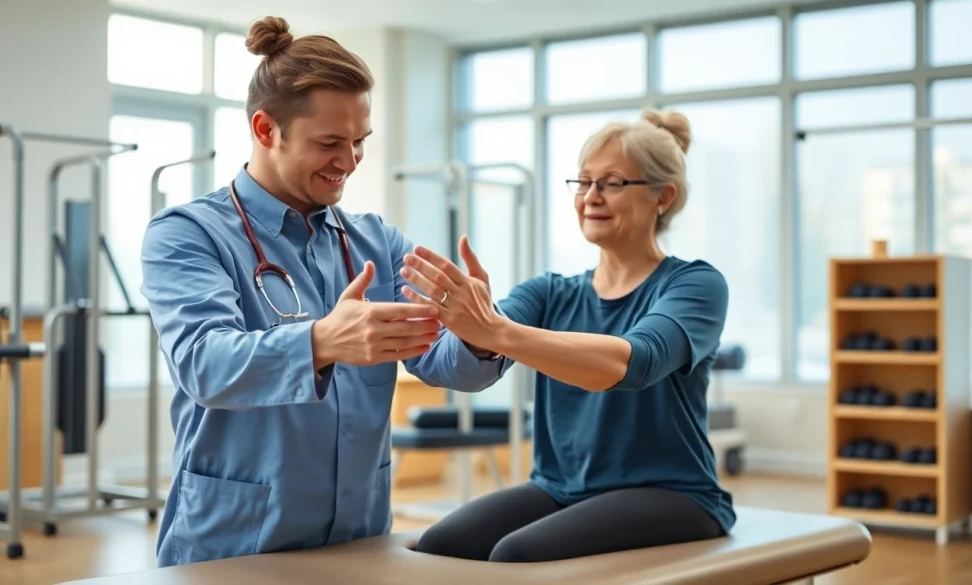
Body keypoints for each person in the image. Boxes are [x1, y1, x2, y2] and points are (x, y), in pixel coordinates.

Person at [139, 16, 507, 568]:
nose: (350, 160)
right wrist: (320, 342)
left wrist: (480, 334)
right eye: (330, 142)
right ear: (266, 130)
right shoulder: (188, 234)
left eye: (360, 141)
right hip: (234, 541)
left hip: (359, 535)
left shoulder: (374, 241)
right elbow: (202, 363)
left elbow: (443, 363)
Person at [401, 109, 735, 563]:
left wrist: (496, 330)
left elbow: (632, 362)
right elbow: (490, 342)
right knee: (441, 546)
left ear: (663, 196)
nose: (591, 197)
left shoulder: (694, 285)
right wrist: (475, 330)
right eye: (583, 182)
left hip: (672, 492)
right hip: (559, 486)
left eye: (613, 183)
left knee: (516, 554)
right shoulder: (549, 292)